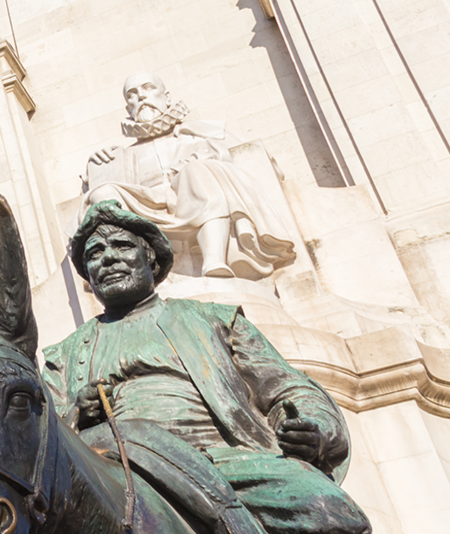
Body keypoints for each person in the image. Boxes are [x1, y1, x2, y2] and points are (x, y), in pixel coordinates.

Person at [43, 202, 369, 534]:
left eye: (122, 245)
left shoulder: (214, 319)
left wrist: (311, 430)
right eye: (94, 253)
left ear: (150, 259)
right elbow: (36, 428)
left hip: (220, 463)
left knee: (330, 512)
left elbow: (289, 388)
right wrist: (75, 415)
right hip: (113, 467)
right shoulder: (65, 355)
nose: (108, 257)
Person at [85, 72, 299, 278]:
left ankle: (215, 261)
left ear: (166, 97)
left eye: (148, 88)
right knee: (102, 193)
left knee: (196, 171)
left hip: (193, 195)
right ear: (128, 108)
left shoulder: (202, 133)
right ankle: (129, 274)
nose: (141, 96)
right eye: (132, 93)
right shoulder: (125, 154)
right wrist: (96, 170)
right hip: (146, 206)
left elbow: (259, 163)